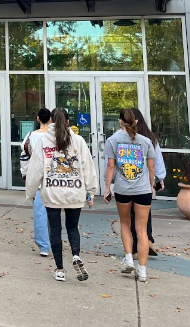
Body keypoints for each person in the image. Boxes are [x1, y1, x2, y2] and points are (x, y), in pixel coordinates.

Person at [25, 108, 97, 282]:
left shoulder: (44, 141)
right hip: (75, 191)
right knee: (73, 227)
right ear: (68, 121)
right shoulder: (78, 141)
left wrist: (31, 192)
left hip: (52, 192)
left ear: (51, 120)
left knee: (55, 229)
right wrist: (91, 190)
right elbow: (87, 166)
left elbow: (35, 170)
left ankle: (59, 269)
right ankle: (76, 255)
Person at [103, 108, 156, 283]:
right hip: (143, 191)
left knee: (125, 224)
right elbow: (151, 168)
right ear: (136, 122)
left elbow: (111, 166)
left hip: (123, 189)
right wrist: (150, 185)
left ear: (120, 122)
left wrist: (107, 187)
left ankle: (128, 258)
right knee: (142, 231)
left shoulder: (113, 141)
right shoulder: (146, 141)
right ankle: (142, 271)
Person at [129, 108, 166, 257]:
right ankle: (148, 239)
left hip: (129, 181)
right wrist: (159, 178)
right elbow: (158, 162)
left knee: (131, 215)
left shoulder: (125, 139)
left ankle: (135, 248)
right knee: (145, 213)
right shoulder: (151, 139)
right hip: (146, 183)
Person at [19, 108, 53, 257]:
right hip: (54, 180)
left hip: (37, 179)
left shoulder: (30, 136)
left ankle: (44, 246)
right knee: (54, 213)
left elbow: (24, 157)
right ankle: (54, 240)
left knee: (40, 213)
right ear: (50, 119)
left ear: (38, 118)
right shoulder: (55, 136)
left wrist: (25, 174)